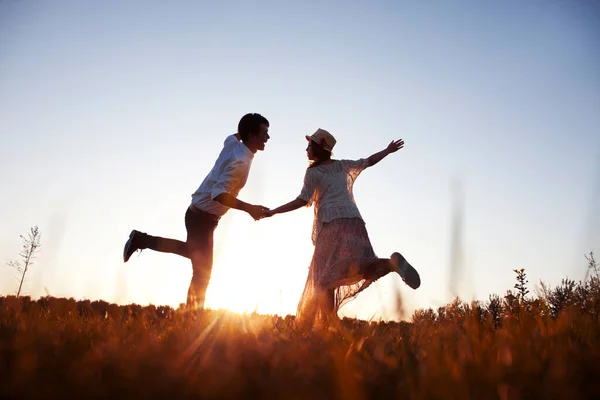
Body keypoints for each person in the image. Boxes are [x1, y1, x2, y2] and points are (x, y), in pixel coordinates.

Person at [263, 128, 420, 325]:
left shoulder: (313, 172)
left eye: (310, 145)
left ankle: (329, 326)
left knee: (324, 280)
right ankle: (391, 264)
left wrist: (273, 211)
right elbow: (368, 161)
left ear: (319, 147)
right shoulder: (343, 165)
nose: (306, 149)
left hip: (332, 226)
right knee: (359, 266)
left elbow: (302, 200)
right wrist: (387, 150)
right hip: (354, 223)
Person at [122, 113, 271, 309]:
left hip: (199, 215)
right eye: (264, 133)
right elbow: (218, 193)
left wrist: (241, 132)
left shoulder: (233, 144)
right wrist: (249, 208)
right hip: (201, 218)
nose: (267, 138)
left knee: (194, 255)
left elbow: (232, 136)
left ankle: (142, 239)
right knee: (202, 272)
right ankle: (192, 317)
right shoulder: (240, 161)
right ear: (251, 135)